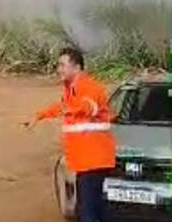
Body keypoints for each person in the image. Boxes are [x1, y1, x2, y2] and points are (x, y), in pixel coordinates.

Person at [27, 47, 115, 222]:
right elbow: (61, 107)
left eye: (62, 65)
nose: (59, 69)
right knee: (98, 209)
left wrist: (70, 108)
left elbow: (89, 106)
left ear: (77, 67)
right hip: (86, 162)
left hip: (93, 162)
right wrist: (39, 116)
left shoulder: (89, 87)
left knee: (87, 212)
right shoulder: (72, 91)